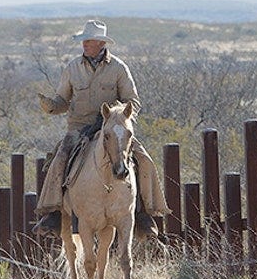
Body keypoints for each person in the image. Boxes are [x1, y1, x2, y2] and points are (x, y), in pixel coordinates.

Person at [32, 19, 168, 238]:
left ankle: (144, 213)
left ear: (100, 43)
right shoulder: (73, 68)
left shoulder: (118, 68)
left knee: (144, 160)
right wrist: (51, 106)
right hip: (79, 128)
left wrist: (116, 114)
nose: (84, 44)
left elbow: (133, 101)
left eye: (88, 40)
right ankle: (54, 212)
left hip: (111, 127)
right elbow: (63, 100)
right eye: (83, 40)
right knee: (59, 159)